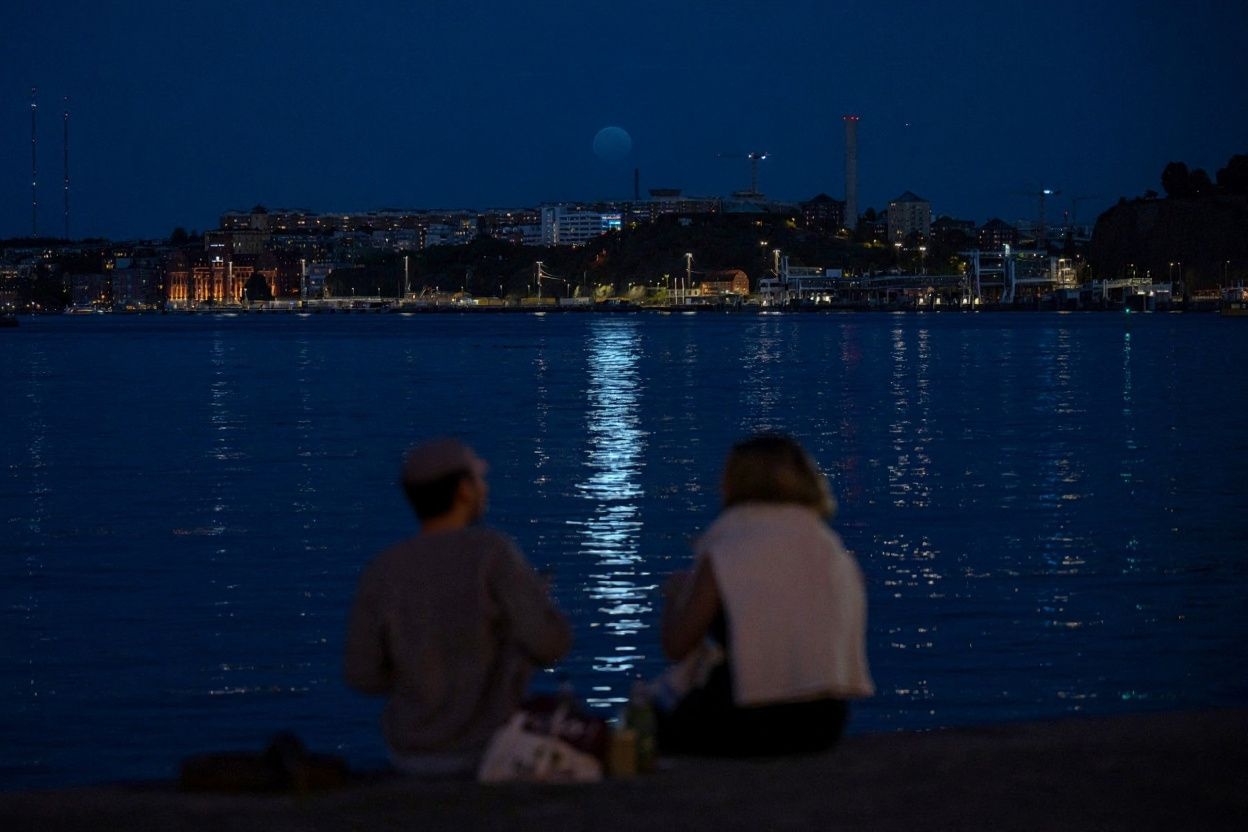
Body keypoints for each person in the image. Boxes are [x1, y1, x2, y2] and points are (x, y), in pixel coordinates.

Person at [344, 437, 572, 774]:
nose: (485, 488)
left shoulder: (383, 570)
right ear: (464, 491)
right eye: (479, 480)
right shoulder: (492, 554)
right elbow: (551, 645)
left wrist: (414, 672)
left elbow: (361, 675)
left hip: (409, 755)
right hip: (489, 751)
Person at [656, 434, 874, 756]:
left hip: (747, 717)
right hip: (825, 721)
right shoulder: (830, 548)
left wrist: (676, 595)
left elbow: (676, 645)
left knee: (648, 723)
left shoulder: (729, 546)